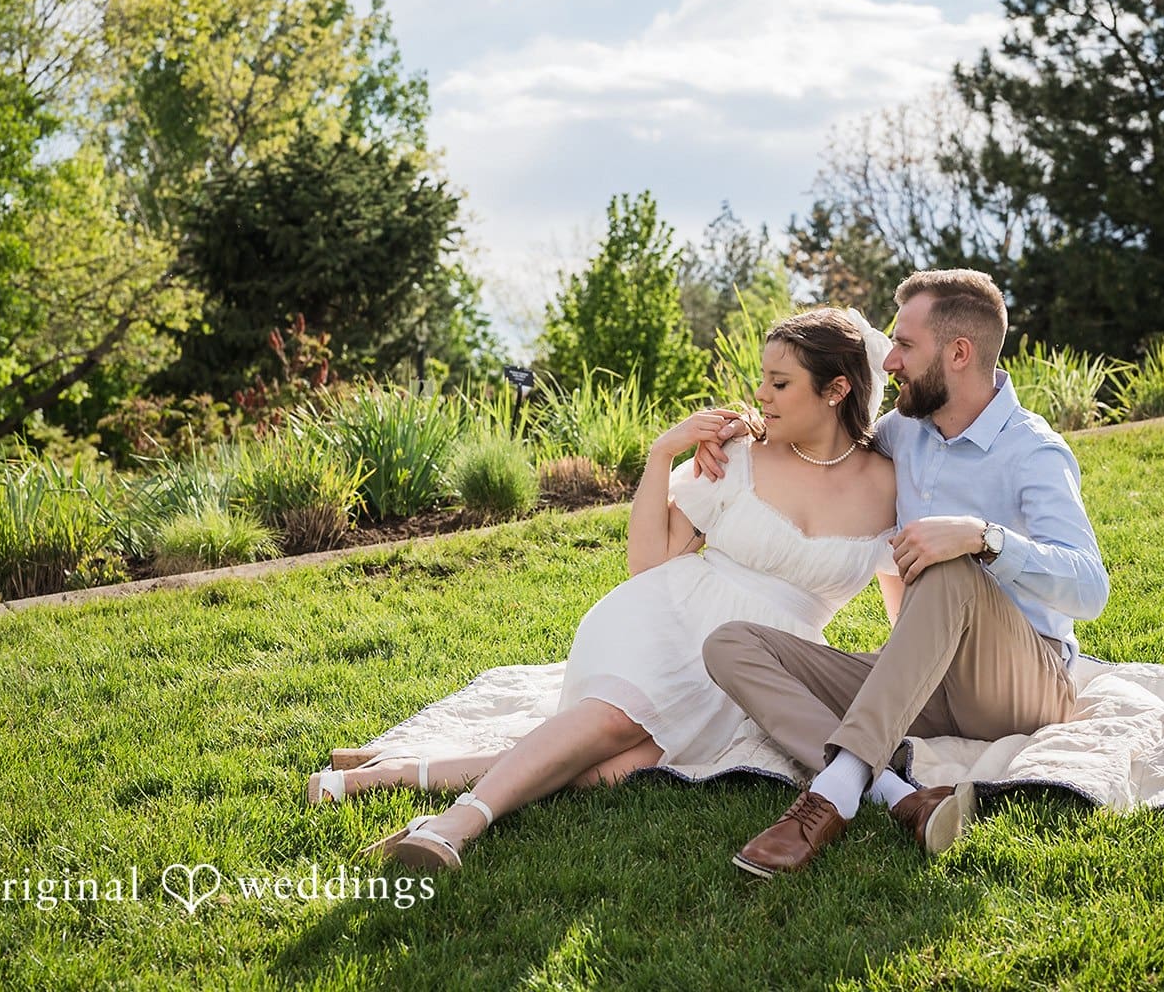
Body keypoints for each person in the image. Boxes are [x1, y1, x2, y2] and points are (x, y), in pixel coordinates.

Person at [306, 307, 901, 871]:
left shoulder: (893, 484)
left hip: (764, 663)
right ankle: (454, 826)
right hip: (674, 618)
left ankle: (388, 775)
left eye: (780, 383)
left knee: (622, 766)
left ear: (836, 389)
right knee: (617, 725)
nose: (761, 396)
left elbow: (907, 619)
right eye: (763, 381)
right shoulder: (739, 454)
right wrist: (662, 453)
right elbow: (649, 562)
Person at [702, 268, 1110, 877]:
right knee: (731, 644)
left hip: (1023, 684)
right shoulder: (904, 433)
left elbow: (1090, 587)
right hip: (928, 679)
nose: (889, 360)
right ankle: (899, 795)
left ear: (959, 353)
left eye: (905, 346)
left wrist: (982, 538)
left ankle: (831, 796)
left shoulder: (1034, 452)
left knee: (950, 569)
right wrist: (748, 434)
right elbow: (829, 442)